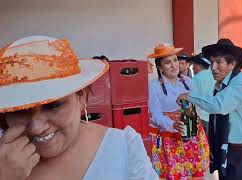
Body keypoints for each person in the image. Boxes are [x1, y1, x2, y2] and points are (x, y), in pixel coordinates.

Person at [0, 36, 158, 180]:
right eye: (19, 110)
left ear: (81, 97)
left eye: (54, 105)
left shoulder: (123, 149)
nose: (36, 128)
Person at [177, 39, 242, 180]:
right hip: (228, 147)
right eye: (212, 62)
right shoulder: (224, 83)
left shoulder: (239, 84)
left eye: (219, 62)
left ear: (232, 64)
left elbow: (218, 105)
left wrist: (189, 96)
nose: (213, 67)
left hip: (240, 150)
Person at [147, 43, 209, 179]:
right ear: (159, 66)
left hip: (191, 135)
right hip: (167, 137)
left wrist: (193, 117)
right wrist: (172, 124)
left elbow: (196, 105)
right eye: (167, 62)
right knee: (172, 174)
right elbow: (155, 115)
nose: (173, 65)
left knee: (192, 173)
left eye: (175, 60)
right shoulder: (154, 86)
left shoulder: (188, 82)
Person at [188, 53, 216, 137]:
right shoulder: (215, 76)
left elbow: (190, 100)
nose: (192, 68)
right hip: (214, 118)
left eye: (193, 65)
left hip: (201, 119)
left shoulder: (195, 79)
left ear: (198, 65)